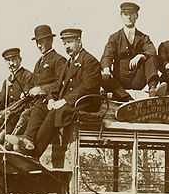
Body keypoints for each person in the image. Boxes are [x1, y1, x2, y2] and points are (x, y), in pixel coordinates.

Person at [9, 28, 101, 158]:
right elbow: (59, 85)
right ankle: (27, 139)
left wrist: (63, 101)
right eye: (64, 43)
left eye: (70, 42)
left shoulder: (89, 61)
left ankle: (35, 153)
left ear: (79, 41)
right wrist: (52, 98)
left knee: (55, 114)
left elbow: (87, 87)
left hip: (85, 102)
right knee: (42, 106)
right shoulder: (69, 63)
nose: (67, 47)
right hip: (71, 101)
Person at [100, 2, 167, 101]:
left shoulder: (143, 37)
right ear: (121, 16)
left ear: (137, 16)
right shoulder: (114, 38)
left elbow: (152, 51)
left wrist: (141, 55)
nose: (129, 17)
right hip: (120, 79)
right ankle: (124, 97)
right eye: (125, 14)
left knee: (152, 58)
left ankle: (153, 89)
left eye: (131, 14)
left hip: (137, 79)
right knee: (103, 76)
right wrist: (106, 69)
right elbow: (107, 55)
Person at [0, 48, 33, 144]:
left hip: (19, 112)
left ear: (20, 60)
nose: (11, 63)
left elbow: (26, 100)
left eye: (14, 60)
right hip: (8, 112)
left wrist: (7, 111)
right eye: (8, 61)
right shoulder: (7, 81)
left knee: (10, 118)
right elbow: (1, 101)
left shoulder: (27, 76)